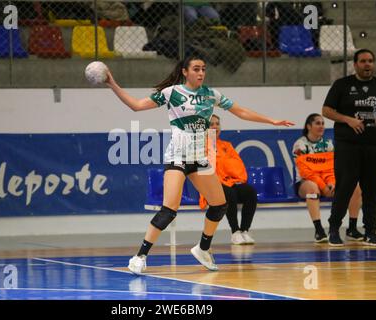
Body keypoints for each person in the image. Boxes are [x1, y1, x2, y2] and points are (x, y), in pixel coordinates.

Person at [105, 56, 294, 274]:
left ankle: (203, 248)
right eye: (196, 69)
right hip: (177, 158)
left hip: (199, 159)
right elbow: (136, 106)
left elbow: (240, 111)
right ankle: (140, 256)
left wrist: (271, 121)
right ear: (185, 72)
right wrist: (112, 84)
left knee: (219, 204)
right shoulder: (172, 93)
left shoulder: (211, 95)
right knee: (169, 210)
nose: (201, 73)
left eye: (203, 69)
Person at [322, 49, 376, 247]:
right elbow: (326, 111)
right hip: (348, 146)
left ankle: (371, 232)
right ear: (355, 64)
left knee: (371, 190)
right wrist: (348, 120)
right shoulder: (342, 85)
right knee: (344, 188)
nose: (367, 64)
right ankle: (334, 229)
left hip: (375, 145)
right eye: (363, 61)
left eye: (370, 61)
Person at [292, 113, 363, 244]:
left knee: (356, 187)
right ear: (309, 126)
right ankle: (319, 230)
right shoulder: (300, 145)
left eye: (323, 123)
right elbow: (307, 172)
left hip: (327, 181)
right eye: (317, 123)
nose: (321, 126)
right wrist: (323, 187)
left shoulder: (328, 144)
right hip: (305, 182)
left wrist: (331, 183)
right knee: (313, 189)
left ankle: (352, 228)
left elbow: (331, 169)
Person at [199, 114, 258, 245]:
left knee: (250, 192)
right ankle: (235, 232)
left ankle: (244, 231)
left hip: (228, 181)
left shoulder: (226, 145)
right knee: (228, 193)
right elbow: (204, 170)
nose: (215, 126)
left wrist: (227, 171)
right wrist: (224, 166)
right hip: (210, 185)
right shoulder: (200, 146)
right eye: (211, 124)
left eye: (217, 124)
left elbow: (237, 166)